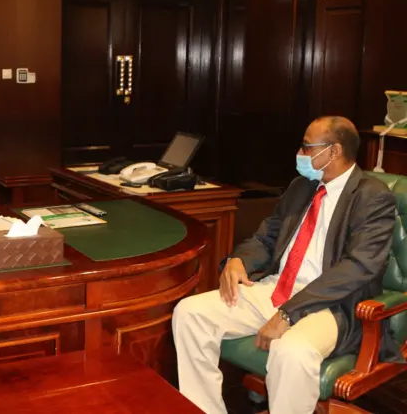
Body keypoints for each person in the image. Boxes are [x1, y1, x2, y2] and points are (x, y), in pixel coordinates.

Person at [172, 116, 401, 414]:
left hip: (332, 305)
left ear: (333, 151)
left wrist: (289, 313)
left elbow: (357, 267)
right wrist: (238, 260)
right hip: (279, 288)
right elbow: (266, 236)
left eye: (307, 147)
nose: (300, 154)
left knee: (291, 350)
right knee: (190, 314)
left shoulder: (373, 196)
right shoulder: (301, 187)